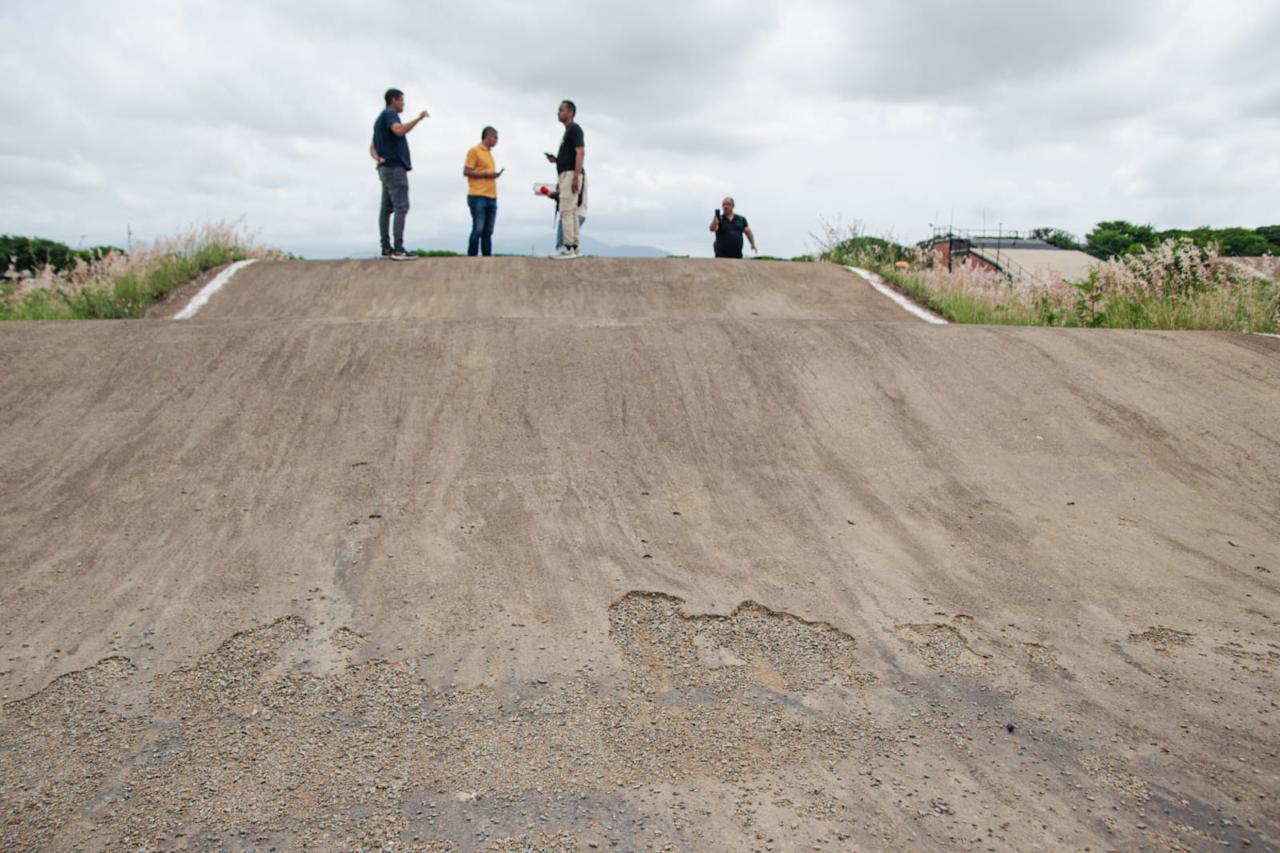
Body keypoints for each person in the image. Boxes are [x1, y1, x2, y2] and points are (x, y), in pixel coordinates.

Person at [369, 88, 428, 259]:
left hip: (384, 168)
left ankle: (386, 247)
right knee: (401, 207)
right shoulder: (390, 114)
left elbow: (372, 147)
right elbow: (399, 130)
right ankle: (398, 249)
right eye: (402, 100)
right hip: (394, 167)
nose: (403, 104)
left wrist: (377, 158)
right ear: (393, 100)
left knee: (386, 208)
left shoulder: (379, 120)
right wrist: (419, 118)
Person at [545, 100, 585, 259]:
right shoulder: (568, 131)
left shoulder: (574, 129)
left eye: (561, 110)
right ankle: (574, 245)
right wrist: (557, 160)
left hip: (570, 174)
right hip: (567, 172)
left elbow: (580, 152)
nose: (558, 113)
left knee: (566, 209)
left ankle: (568, 246)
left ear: (570, 112)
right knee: (572, 210)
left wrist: (575, 176)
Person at [463, 126, 504, 256]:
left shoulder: (489, 154)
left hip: (491, 196)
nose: (496, 140)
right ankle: (472, 257)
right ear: (488, 136)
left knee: (488, 231)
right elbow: (466, 171)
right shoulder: (474, 151)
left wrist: (493, 175)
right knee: (478, 228)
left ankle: (487, 260)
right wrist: (487, 174)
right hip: (478, 195)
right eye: (495, 137)